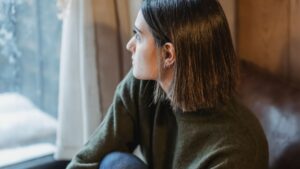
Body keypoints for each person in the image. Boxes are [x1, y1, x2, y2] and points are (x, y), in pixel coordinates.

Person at [67, 0, 269, 168]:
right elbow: (87, 160)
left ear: (168, 54)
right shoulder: (143, 85)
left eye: (138, 35)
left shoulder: (236, 149)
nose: (130, 45)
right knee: (116, 163)